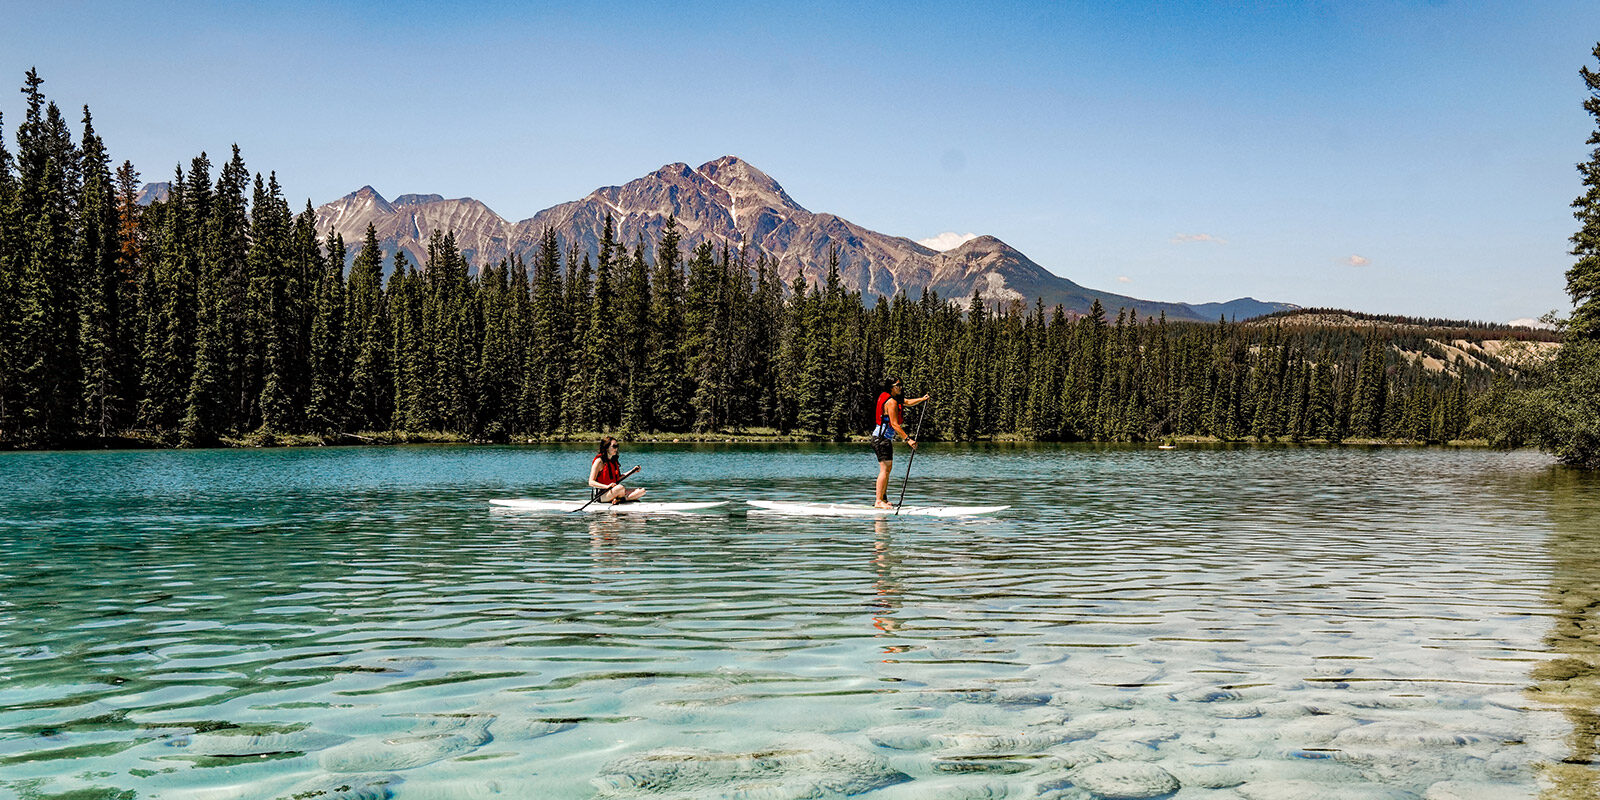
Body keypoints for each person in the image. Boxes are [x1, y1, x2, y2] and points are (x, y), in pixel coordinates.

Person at [871, 377, 930, 509]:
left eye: (900, 385)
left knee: (887, 469)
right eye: (897, 385)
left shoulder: (894, 399)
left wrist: (922, 399)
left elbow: (908, 402)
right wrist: (908, 439)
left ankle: (883, 499)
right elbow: (895, 424)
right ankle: (878, 501)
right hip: (881, 440)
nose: (900, 387)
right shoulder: (891, 402)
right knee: (884, 470)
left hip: (882, 439)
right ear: (891, 387)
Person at [588, 436, 645, 504]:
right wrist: (607, 486)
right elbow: (591, 482)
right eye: (614, 446)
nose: (616, 449)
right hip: (600, 495)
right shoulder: (599, 461)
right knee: (620, 488)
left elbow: (617, 479)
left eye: (617, 446)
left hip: (613, 491)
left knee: (641, 491)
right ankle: (622, 499)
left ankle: (620, 499)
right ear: (606, 447)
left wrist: (633, 471)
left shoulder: (613, 461)